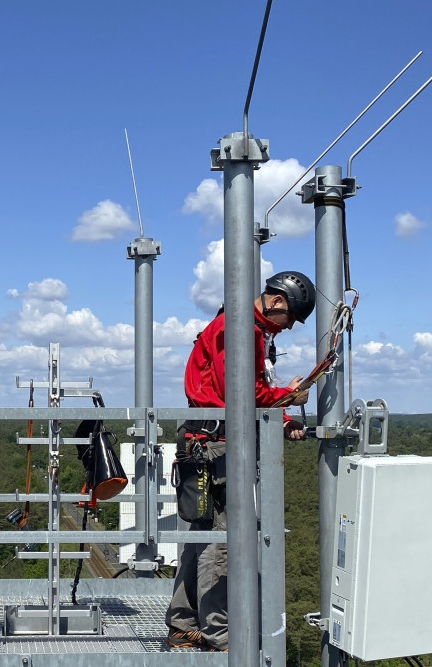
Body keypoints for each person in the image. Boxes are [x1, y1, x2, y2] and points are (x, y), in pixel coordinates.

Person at [165, 270, 316, 652]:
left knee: (201, 538)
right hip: (218, 446)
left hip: (204, 440)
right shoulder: (240, 331)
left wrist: (281, 419)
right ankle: (221, 637)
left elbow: (241, 393)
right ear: (277, 302)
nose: (287, 328)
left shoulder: (240, 328)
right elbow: (241, 393)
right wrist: (289, 396)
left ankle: (184, 624)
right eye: (290, 320)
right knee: (223, 542)